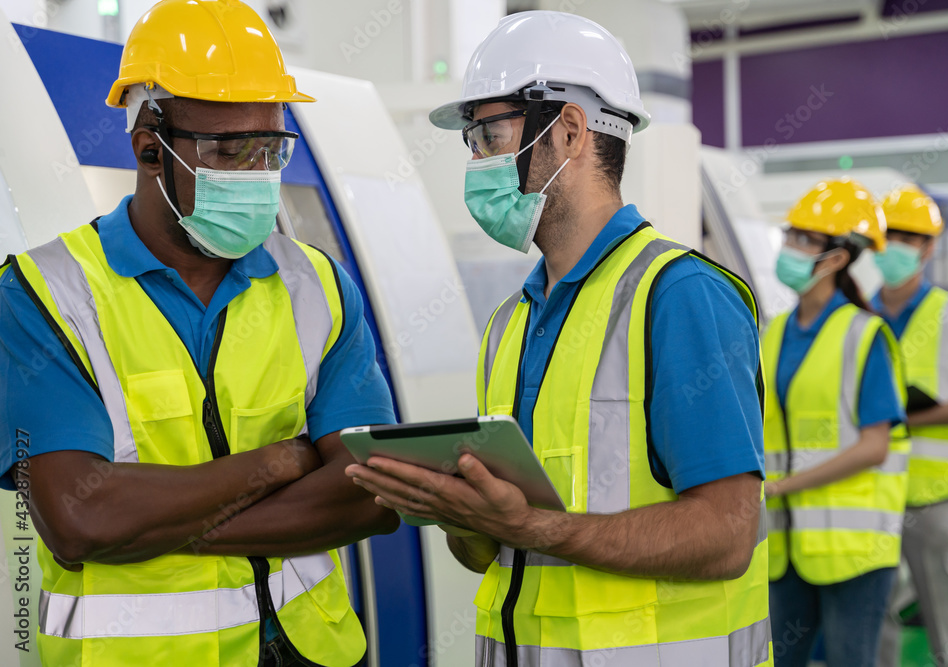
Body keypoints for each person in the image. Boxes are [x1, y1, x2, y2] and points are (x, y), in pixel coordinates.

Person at [347, 11, 772, 667]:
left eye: (489, 133)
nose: (477, 161)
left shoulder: (679, 295)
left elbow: (727, 532)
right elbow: (492, 549)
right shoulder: (510, 322)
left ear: (569, 130)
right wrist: (460, 512)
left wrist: (530, 524)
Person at [0, 1, 399, 665]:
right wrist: (280, 462)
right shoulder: (44, 296)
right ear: (148, 147)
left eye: (270, 147)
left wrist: (152, 519)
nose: (256, 171)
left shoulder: (318, 287)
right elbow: (80, 518)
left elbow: (374, 493)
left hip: (314, 649)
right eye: (228, 148)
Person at [763, 177, 909, 667]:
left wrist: (785, 486)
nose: (790, 248)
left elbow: (875, 446)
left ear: (838, 257)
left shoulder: (864, 335)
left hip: (854, 549)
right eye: (791, 235)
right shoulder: (775, 332)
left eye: (805, 240)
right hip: (784, 543)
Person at [874, 185, 948, 667]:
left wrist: (908, 416)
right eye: (890, 235)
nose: (898, 245)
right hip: (872, 491)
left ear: (929, 247)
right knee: (874, 613)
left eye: (910, 236)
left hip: (932, 497)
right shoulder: (860, 314)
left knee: (946, 613)